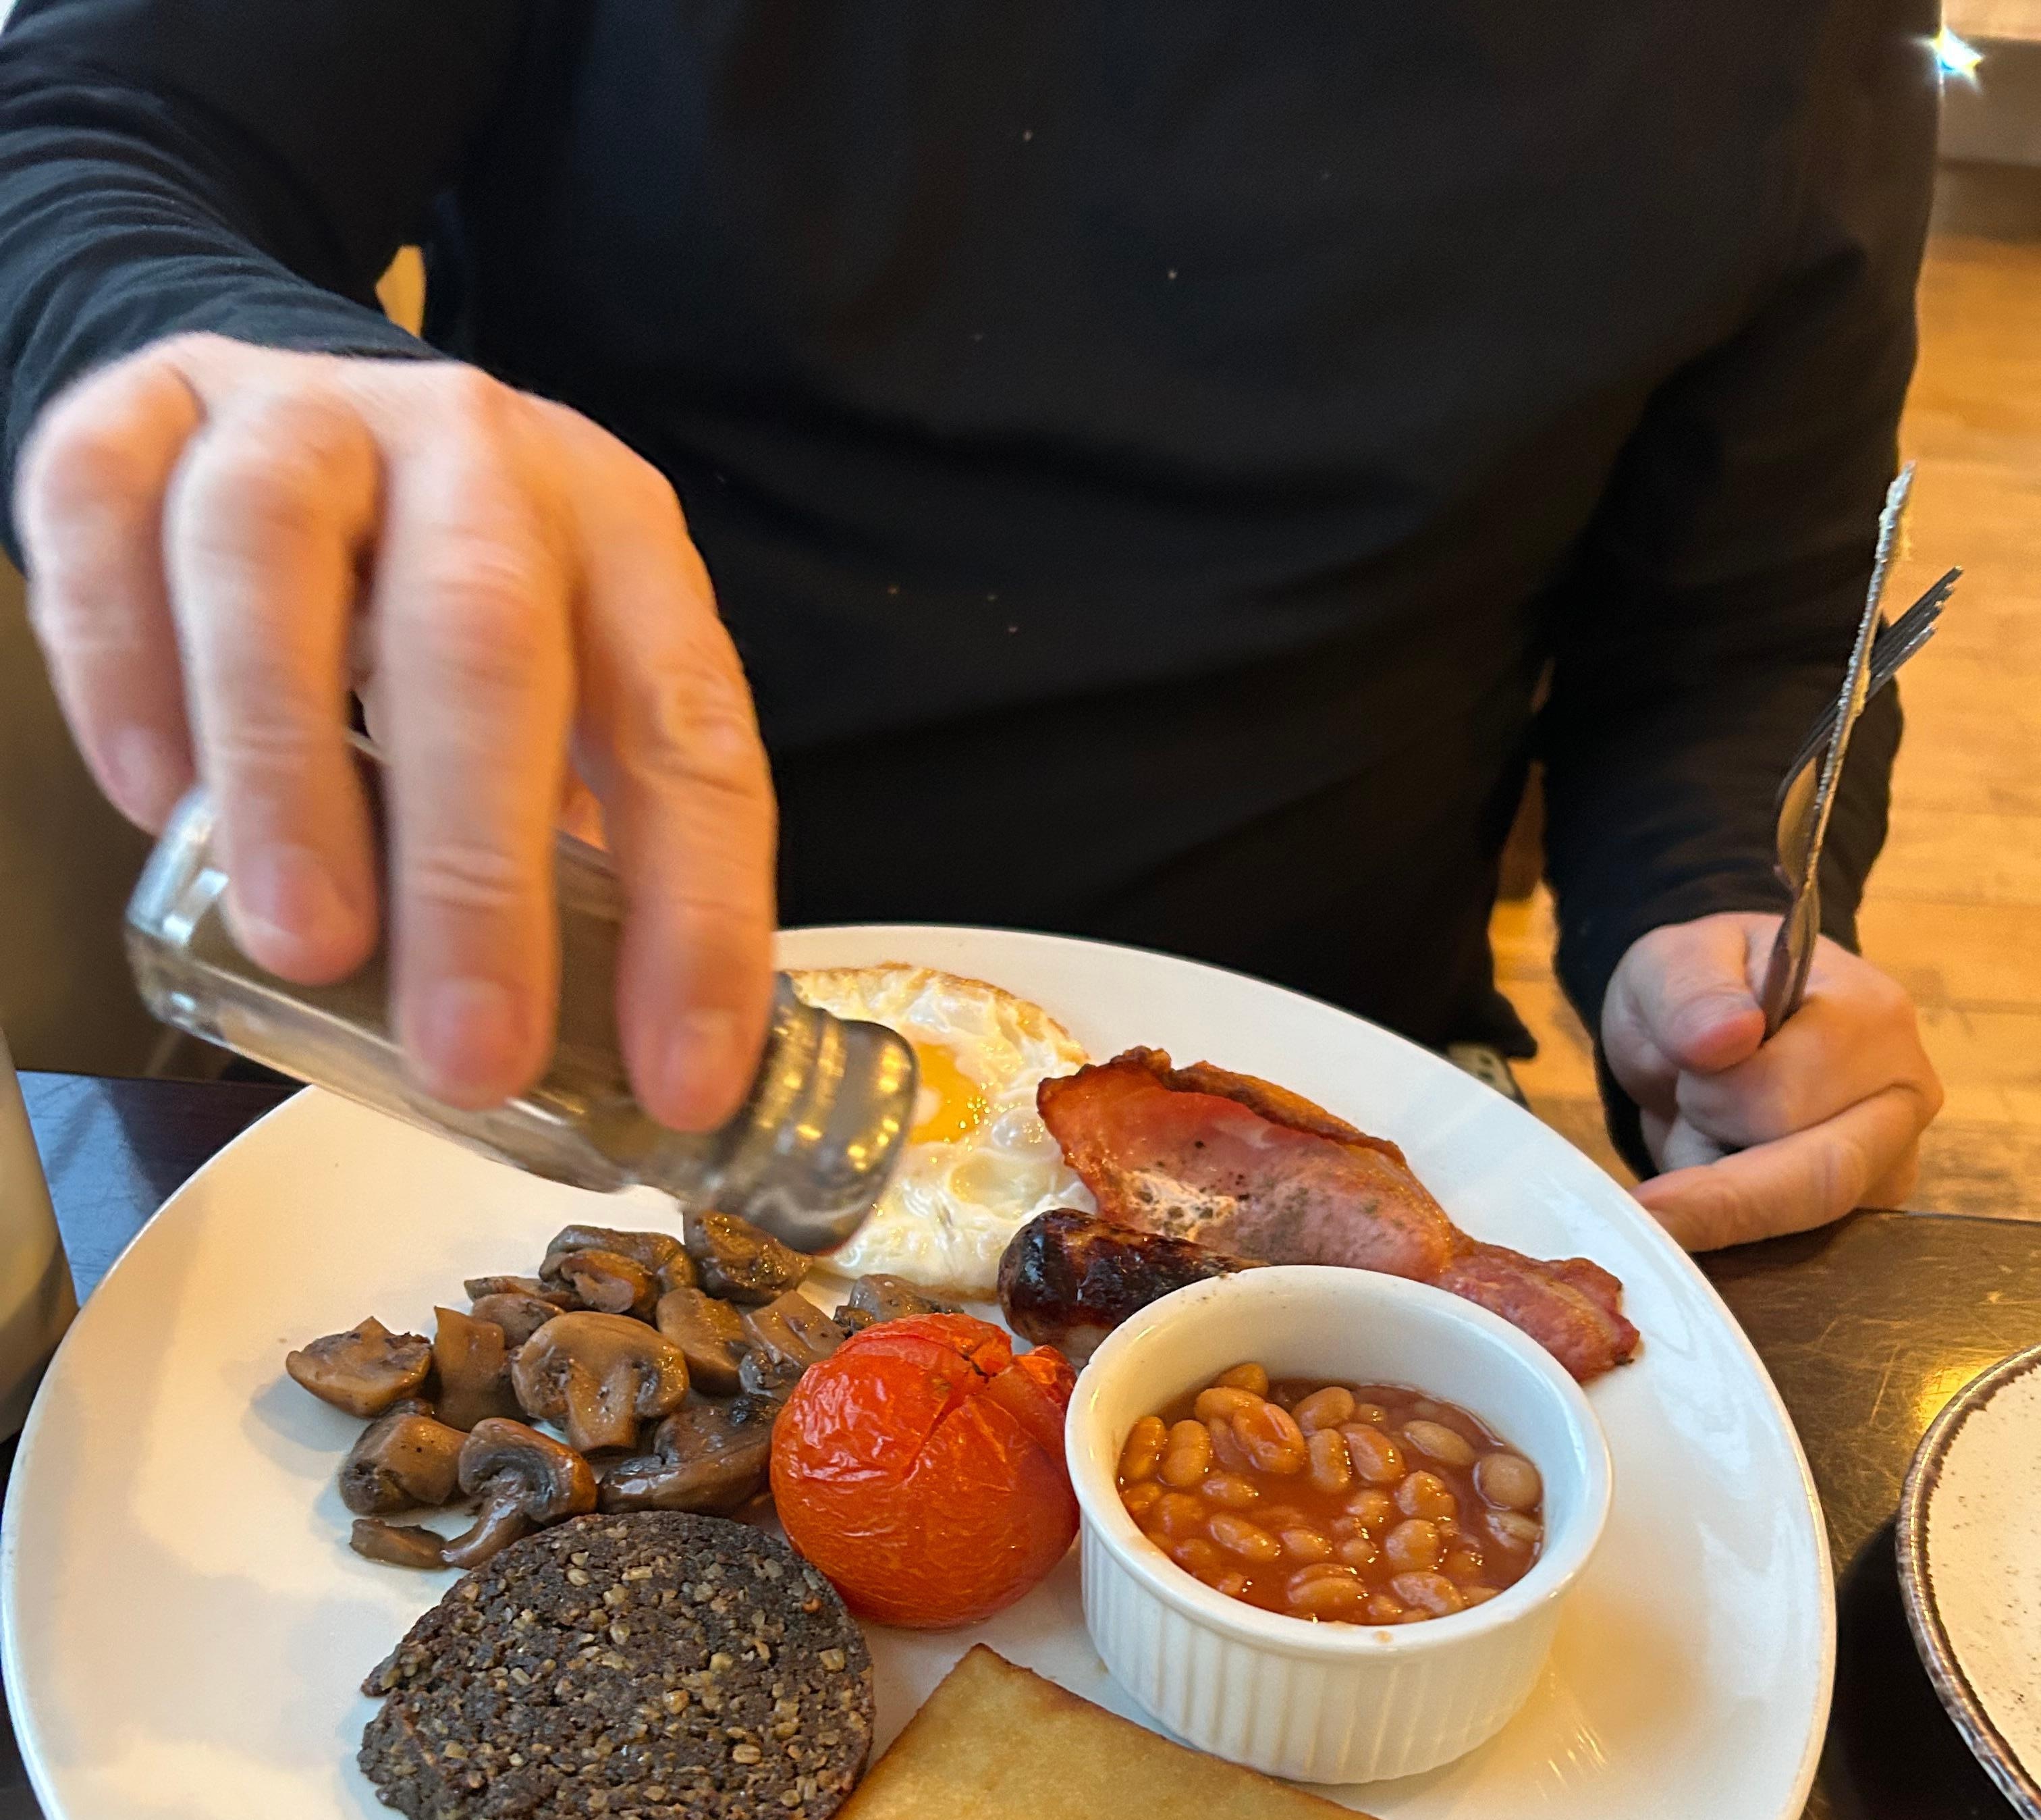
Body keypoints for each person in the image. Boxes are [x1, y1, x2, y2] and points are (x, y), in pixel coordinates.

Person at [0, 0, 1944, 1250]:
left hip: (1298, 1128)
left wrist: (1713, 902)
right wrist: (264, 373)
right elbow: (74, 141)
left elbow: (1734, 626)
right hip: (537, 1049)